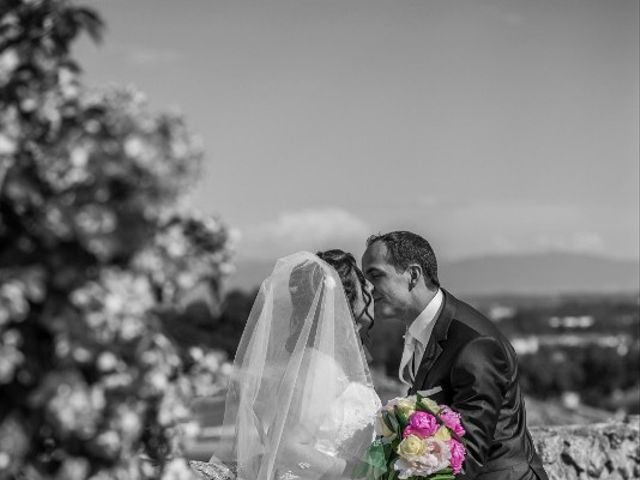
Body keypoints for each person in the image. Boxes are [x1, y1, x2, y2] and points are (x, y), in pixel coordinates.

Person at [362, 231, 548, 480]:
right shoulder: (421, 331)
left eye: (375, 275)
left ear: (413, 275)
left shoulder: (474, 344)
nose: (368, 288)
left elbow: (468, 451)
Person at [211, 251, 381, 480]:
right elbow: (287, 447)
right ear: (342, 295)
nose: (370, 289)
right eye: (361, 282)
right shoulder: (319, 365)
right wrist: (361, 472)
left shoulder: (332, 361)